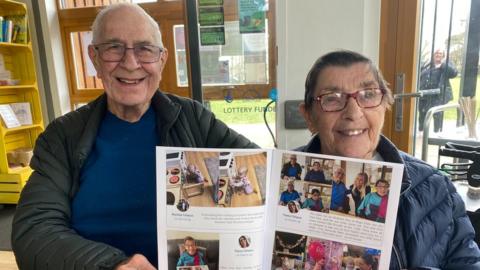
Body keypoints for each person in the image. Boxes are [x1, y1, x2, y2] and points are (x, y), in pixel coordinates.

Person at [11, 3, 257, 270]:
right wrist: (114, 265)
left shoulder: (195, 120)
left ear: (161, 60)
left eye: (144, 49)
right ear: (94, 57)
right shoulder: (63, 136)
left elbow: (259, 169)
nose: (130, 63)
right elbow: (34, 231)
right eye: (114, 47)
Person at [298, 50, 480, 268]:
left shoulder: (436, 188)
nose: (354, 113)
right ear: (309, 116)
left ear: (385, 104)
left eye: (368, 94)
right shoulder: (272, 184)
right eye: (332, 98)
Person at [418, 49, 458, 132]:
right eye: (436, 53)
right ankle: (421, 132)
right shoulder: (427, 64)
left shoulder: (446, 64)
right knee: (422, 114)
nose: (438, 55)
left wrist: (443, 64)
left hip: (438, 96)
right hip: (424, 95)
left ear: (443, 55)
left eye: (440, 53)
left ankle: (437, 132)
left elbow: (454, 73)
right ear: (433, 55)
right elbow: (420, 75)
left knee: (437, 114)